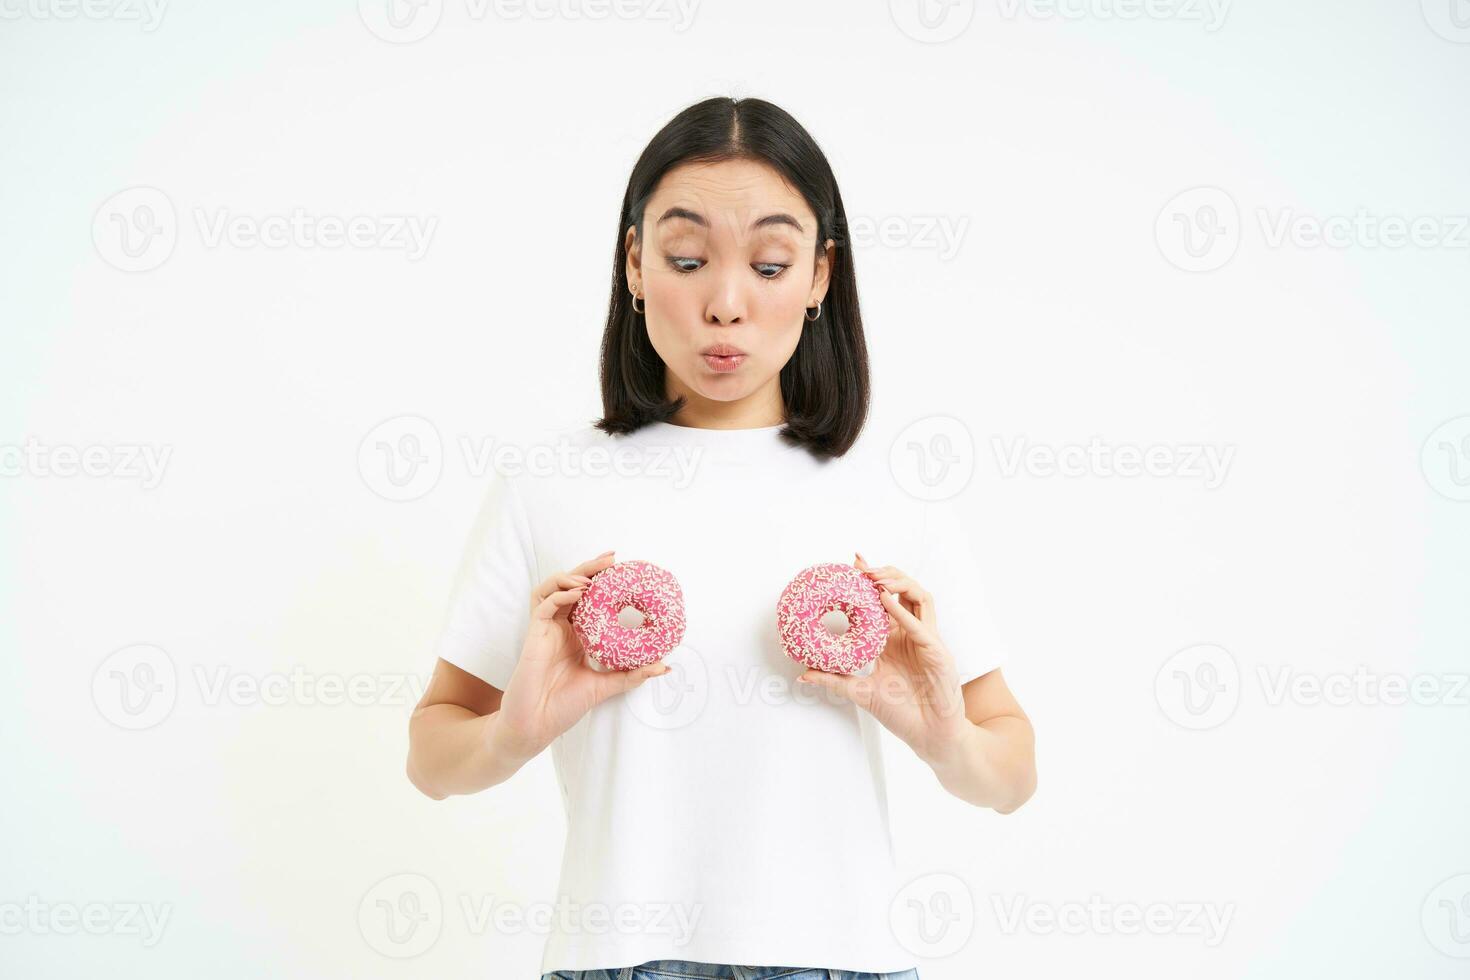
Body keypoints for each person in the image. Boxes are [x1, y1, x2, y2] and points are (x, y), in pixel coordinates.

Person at [406, 95, 1037, 980]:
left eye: (771, 265)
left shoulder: (890, 495)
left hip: (842, 959)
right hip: (616, 959)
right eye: (688, 258)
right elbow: (432, 758)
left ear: (820, 276)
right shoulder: (549, 484)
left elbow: (1010, 776)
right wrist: (513, 732)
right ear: (634, 263)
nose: (726, 304)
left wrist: (943, 738)